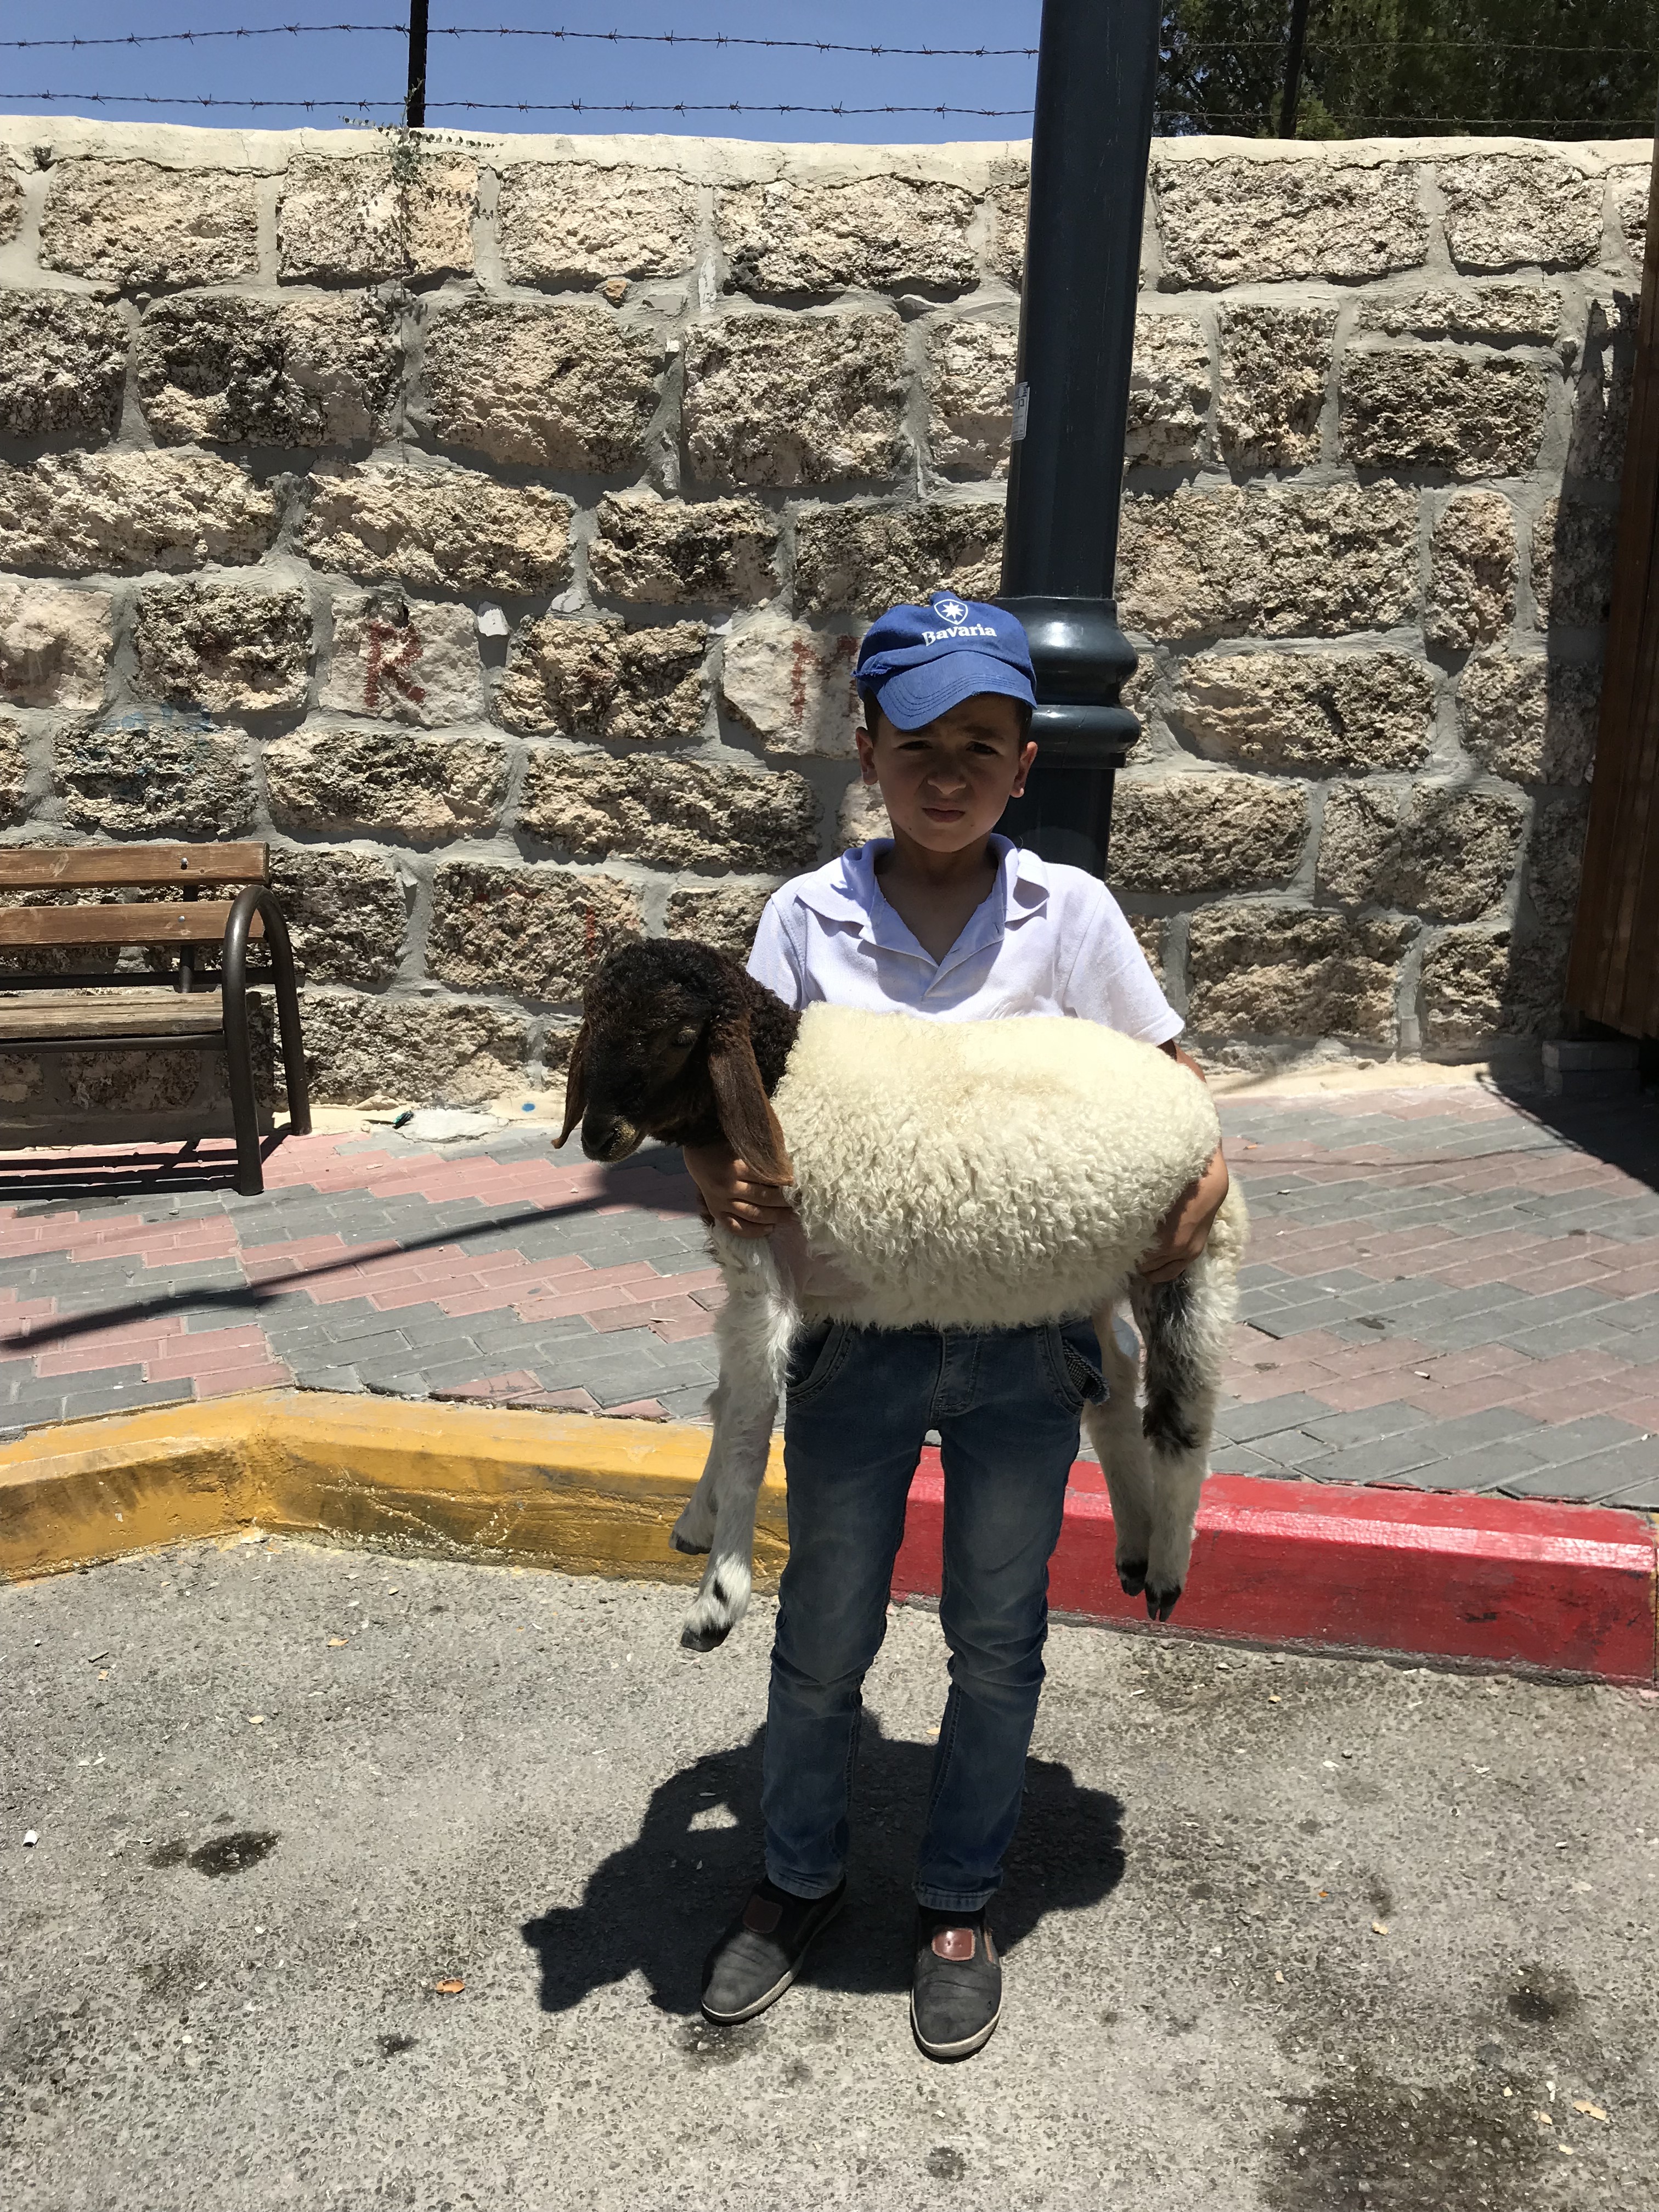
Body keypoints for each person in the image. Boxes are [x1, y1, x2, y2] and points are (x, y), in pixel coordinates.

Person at [682, 594, 1229, 2061]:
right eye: (917, 742)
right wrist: (718, 1176)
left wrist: (1199, 1182)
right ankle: (797, 1876)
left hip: (1027, 1342)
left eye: (981, 745)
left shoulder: (1072, 916)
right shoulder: (804, 919)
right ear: (867, 749)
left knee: (998, 1631)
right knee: (824, 1631)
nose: (948, 772)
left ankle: (959, 1899)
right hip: (853, 1335)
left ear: (1023, 763)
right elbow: (731, 1103)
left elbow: (1172, 1083)